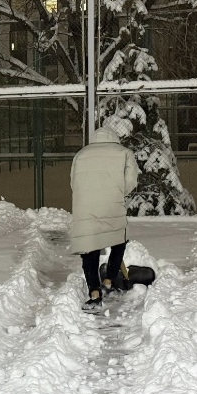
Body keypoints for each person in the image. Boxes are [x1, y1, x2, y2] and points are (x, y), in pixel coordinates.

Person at [70, 126, 139, 311]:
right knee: (119, 239)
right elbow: (131, 181)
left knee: (89, 248)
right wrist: (115, 193)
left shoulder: (81, 154)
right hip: (112, 204)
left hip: (85, 208)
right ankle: (109, 278)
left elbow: (73, 182)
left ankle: (94, 292)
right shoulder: (124, 153)